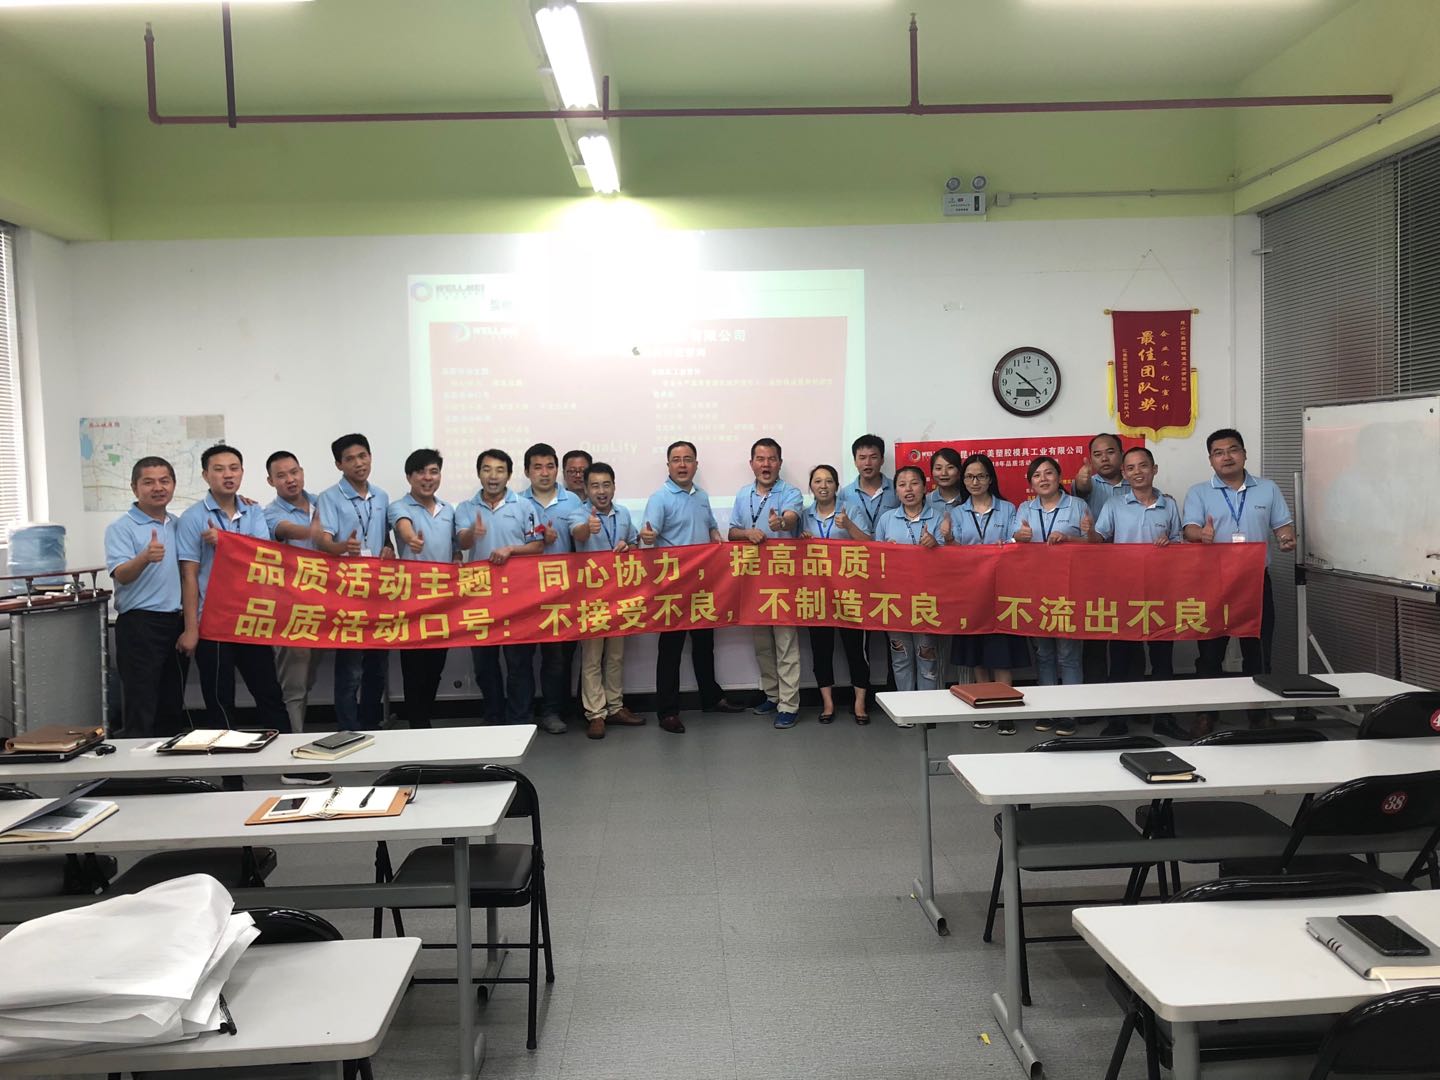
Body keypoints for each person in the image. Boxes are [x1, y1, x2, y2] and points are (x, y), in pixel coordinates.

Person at [177, 444, 288, 730]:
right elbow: (189, 576)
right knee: (219, 699)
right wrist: (191, 628)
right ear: (205, 475)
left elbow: (262, 556)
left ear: (242, 472)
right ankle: (227, 759)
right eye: (219, 469)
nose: (228, 475)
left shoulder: (253, 512)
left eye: (234, 468)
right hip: (213, 622)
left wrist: (225, 541)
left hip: (251, 618)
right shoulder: (192, 518)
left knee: (269, 693)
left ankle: (287, 756)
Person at [639, 440, 747, 734]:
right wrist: (647, 538)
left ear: (696, 465)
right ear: (668, 465)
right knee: (670, 650)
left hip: (702, 586)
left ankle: (711, 698)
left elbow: (710, 526)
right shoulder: (659, 498)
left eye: (688, 459)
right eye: (676, 460)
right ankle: (667, 711)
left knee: (704, 645)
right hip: (673, 588)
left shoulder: (701, 496)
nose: (682, 465)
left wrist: (715, 537)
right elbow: (649, 536)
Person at [1182, 427, 1294, 695]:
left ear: (1244, 453)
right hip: (1213, 582)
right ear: (1211, 460)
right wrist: (1201, 534)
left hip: (1255, 581)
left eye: (1233, 450)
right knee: (1210, 650)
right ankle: (1208, 710)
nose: (1227, 457)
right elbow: (1188, 530)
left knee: (1258, 649)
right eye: (1218, 453)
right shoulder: (1199, 492)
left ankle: (1259, 710)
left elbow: (1283, 526)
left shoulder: (1267, 488)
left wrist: (1287, 538)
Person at [1093, 446, 1183, 737]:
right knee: (1120, 658)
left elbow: (1180, 544)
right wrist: (1087, 532)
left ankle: (1164, 718)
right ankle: (1117, 719)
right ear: (1124, 473)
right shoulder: (1114, 505)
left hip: (1160, 592)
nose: (1137, 472)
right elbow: (1098, 539)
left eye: (1143, 466)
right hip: (1124, 593)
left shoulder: (1169, 505)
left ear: (1154, 469)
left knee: (1162, 659)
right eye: (1130, 468)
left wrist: (1170, 545)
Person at [455, 449, 545, 726]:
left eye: (499, 470)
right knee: (484, 662)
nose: (493, 476)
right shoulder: (465, 508)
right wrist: (473, 533)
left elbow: (538, 546)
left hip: (517, 595)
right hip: (479, 596)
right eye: (487, 469)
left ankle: (520, 720)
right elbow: (462, 542)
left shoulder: (524, 506)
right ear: (478, 473)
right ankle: (493, 718)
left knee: (519, 662)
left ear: (508, 474)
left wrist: (511, 549)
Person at [105, 456, 187, 739]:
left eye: (165, 481)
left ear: (173, 484)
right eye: (149, 482)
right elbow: (121, 575)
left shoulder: (177, 524)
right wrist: (144, 557)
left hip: (175, 623)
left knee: (171, 704)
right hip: (140, 624)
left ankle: (170, 761)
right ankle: (136, 765)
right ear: (134, 487)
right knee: (141, 704)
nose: (158, 488)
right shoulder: (121, 527)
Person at [948, 453, 1029, 736]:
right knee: (977, 652)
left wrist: (1012, 541)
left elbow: (1015, 542)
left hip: (1001, 590)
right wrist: (949, 539)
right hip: (970, 591)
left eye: (981, 476)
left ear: (990, 479)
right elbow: (955, 551)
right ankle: (983, 704)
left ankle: (1005, 709)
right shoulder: (957, 513)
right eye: (969, 477)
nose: (975, 482)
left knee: (1001, 652)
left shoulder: (1008, 509)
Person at [316, 434, 392, 732]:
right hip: (347, 592)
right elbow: (323, 541)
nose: (359, 463)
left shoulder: (381, 496)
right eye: (350, 459)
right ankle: (349, 728)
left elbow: (385, 539)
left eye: (363, 456)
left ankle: (372, 725)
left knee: (377, 666)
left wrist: (388, 548)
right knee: (350, 669)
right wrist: (342, 548)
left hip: (378, 592)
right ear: (339, 464)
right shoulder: (329, 497)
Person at [729, 438, 804, 729]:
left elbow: (791, 518)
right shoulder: (742, 494)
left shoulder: (790, 492)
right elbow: (732, 532)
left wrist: (780, 524)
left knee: (786, 644)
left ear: (780, 463)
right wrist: (747, 533)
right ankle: (772, 695)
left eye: (771, 459)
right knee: (762, 644)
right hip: (752, 582)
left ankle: (789, 704)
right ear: (751, 464)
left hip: (784, 581)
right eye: (760, 459)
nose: (766, 464)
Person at [1014, 454, 1092, 736]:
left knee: (1069, 654)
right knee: (1044, 653)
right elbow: (1013, 543)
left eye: (1048, 473)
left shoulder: (1078, 505)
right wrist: (1019, 538)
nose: (1043, 479)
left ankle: (1070, 713)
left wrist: (1071, 539)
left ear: (1059, 478)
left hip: (1069, 590)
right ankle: (1047, 710)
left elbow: (1094, 545)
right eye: (1037, 475)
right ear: (1031, 483)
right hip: (1036, 590)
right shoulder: (1024, 508)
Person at [568, 461, 643, 739]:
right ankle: (595, 713)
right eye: (595, 486)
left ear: (614, 486)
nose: (601, 491)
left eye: (606, 485)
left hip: (620, 596)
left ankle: (615, 707)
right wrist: (588, 528)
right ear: (586, 489)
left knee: (616, 655)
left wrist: (628, 547)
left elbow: (634, 542)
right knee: (591, 657)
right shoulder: (578, 514)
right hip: (591, 598)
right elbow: (578, 533)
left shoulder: (623, 513)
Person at [388, 448, 455, 730]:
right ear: (409, 477)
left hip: (443, 601)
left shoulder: (448, 510)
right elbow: (404, 528)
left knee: (436, 666)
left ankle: (424, 716)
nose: (428, 478)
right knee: (414, 667)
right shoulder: (399, 507)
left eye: (434, 472)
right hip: (412, 601)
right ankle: (418, 725)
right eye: (421, 472)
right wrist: (411, 539)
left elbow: (455, 546)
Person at [799, 464, 871, 725]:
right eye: (817, 481)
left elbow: (870, 544)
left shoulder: (851, 509)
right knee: (821, 650)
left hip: (850, 592)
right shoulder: (804, 516)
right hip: (817, 594)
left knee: (856, 650)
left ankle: (859, 703)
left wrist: (849, 526)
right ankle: (828, 704)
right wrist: (802, 542)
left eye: (829, 481)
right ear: (811, 487)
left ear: (837, 486)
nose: (823, 486)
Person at [521, 443, 584, 735]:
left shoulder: (572, 501)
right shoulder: (517, 502)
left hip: (561, 592)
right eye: (537, 467)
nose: (544, 473)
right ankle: (521, 714)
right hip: (523, 591)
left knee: (556, 657)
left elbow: (580, 536)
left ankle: (552, 711)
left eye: (549, 466)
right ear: (527, 472)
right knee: (521, 657)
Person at [872, 465, 948, 691]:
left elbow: (951, 559)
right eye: (902, 485)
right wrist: (886, 551)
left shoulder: (938, 517)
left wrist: (935, 545)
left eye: (914, 483)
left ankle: (927, 705)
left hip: (927, 598)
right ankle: (905, 705)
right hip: (895, 600)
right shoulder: (887, 519)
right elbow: (876, 561)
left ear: (924, 488)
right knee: (900, 655)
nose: (908, 489)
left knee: (927, 655)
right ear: (896, 490)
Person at [263, 451, 323, 736]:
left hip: (327, 605)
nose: (290, 479)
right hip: (293, 609)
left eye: (294, 472)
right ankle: (292, 742)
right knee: (294, 684)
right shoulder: (270, 513)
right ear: (271, 481)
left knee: (309, 678)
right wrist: (315, 530)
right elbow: (288, 530)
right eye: (281, 475)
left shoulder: (323, 503)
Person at [1074, 433, 1130, 684]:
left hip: (1128, 570)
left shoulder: (1136, 481)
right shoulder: (1087, 483)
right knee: (1095, 633)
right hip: (1093, 571)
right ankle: (1095, 694)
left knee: (1127, 631)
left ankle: (1126, 693)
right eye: (1097, 454)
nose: (1104, 459)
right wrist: (1082, 481)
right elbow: (1081, 489)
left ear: (1121, 454)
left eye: (1110, 452)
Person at [838, 433, 899, 540]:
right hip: (858, 549)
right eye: (862, 458)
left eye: (873, 457)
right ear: (855, 461)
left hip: (891, 548)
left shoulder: (897, 489)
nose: (867, 463)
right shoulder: (845, 494)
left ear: (882, 460)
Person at [927, 447, 966, 512]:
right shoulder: (925, 502)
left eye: (950, 467)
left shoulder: (970, 499)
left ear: (959, 471)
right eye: (938, 468)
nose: (944, 473)